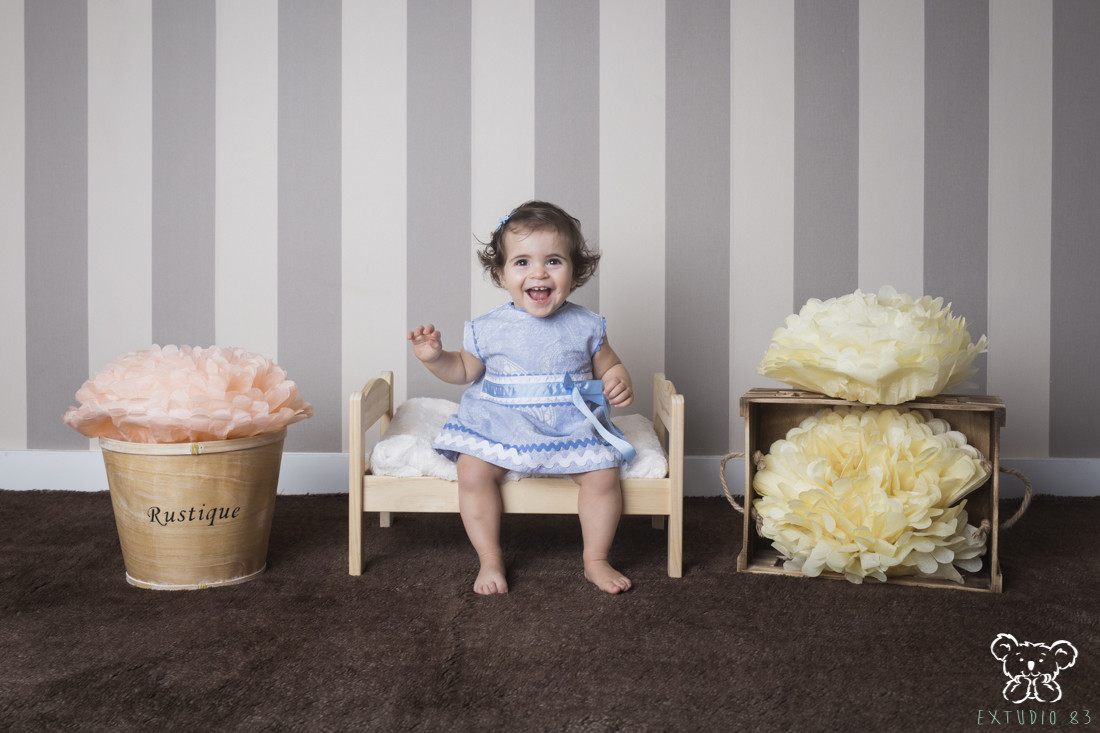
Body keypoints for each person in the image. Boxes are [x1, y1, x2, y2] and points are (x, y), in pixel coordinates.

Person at [408, 200, 635, 596]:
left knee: (602, 474)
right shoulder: (489, 328)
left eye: (553, 261)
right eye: (522, 263)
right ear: (501, 274)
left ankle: (595, 558)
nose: (538, 273)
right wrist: (436, 358)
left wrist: (618, 380)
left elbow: (609, 365)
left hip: (568, 423)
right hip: (499, 420)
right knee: (472, 471)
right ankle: (490, 556)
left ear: (575, 271)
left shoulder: (586, 324)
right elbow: (464, 372)